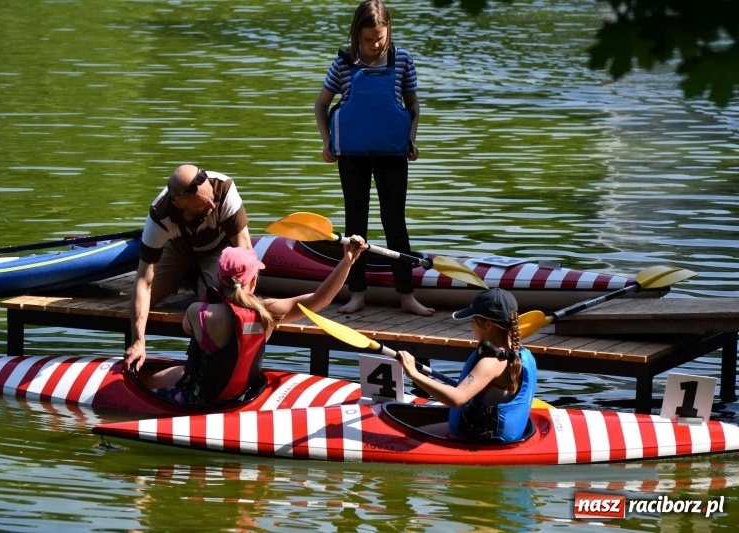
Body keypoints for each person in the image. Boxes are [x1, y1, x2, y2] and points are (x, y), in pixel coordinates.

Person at [135, 235, 367, 405]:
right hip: (243, 395)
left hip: (199, 399)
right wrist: (347, 261)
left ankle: (134, 386)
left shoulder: (198, 312)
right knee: (177, 372)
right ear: (254, 280)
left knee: (151, 383)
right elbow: (321, 299)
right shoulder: (268, 312)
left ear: (218, 277)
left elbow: (189, 331)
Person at [314, 0, 434, 317]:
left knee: (395, 222)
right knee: (356, 224)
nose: (375, 44)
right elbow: (320, 105)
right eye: (368, 39)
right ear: (357, 35)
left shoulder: (403, 60)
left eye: (380, 37)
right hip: (351, 156)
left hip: (392, 154)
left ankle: (407, 296)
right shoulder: (343, 63)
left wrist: (412, 139)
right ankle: (356, 294)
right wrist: (328, 142)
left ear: (388, 31)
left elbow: (413, 105)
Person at [124, 164, 253, 370]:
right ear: (179, 203)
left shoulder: (224, 188)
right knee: (143, 301)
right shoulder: (160, 214)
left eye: (211, 198)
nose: (212, 205)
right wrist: (138, 341)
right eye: (203, 204)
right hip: (177, 249)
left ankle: (197, 282)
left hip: (217, 251)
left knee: (211, 302)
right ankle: (186, 277)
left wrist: (243, 313)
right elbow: (143, 281)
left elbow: (245, 254)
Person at [396, 288, 537, 442]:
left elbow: (457, 399)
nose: (471, 327)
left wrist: (413, 374)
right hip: (500, 435)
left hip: (481, 440)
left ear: (488, 324)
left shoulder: (491, 363)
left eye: (473, 321)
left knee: (402, 440)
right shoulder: (521, 354)